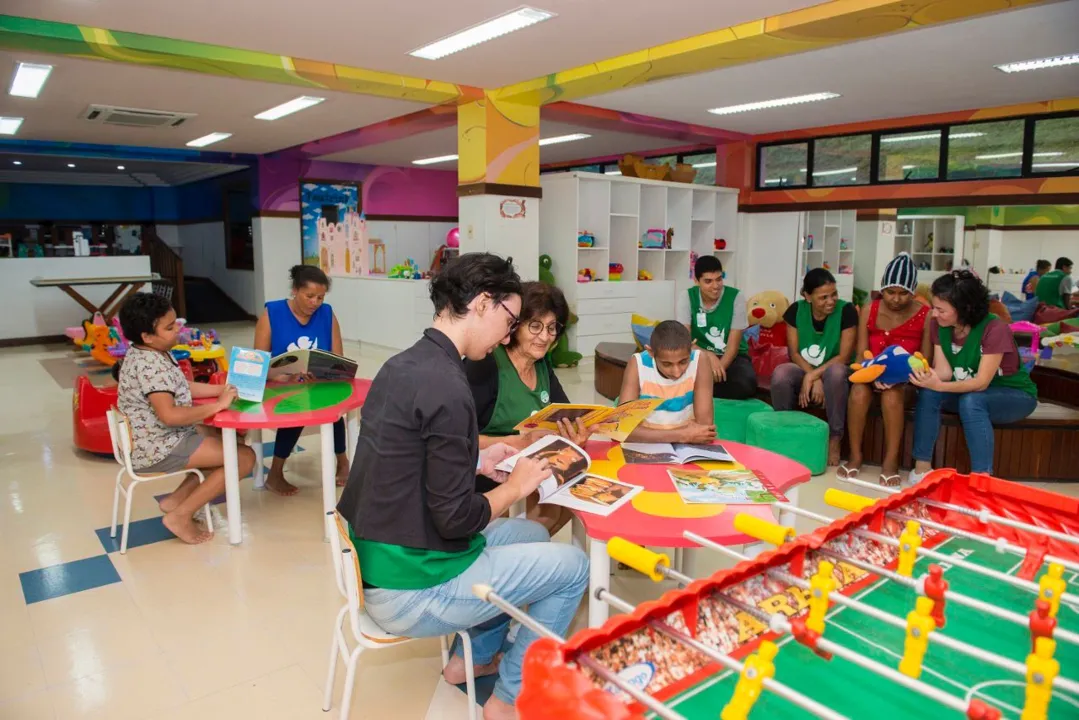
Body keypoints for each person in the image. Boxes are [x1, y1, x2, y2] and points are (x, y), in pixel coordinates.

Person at [337, 253, 588, 720]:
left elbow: (407, 457)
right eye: (510, 320)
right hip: (410, 587)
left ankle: (464, 661)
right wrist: (515, 486)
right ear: (482, 304)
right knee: (573, 567)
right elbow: (457, 518)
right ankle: (508, 700)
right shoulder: (449, 385)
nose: (509, 335)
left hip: (381, 556)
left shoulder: (402, 364)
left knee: (532, 534)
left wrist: (477, 456)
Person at [116, 293, 256, 544]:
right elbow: (169, 415)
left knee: (222, 440)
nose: (178, 331)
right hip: (155, 447)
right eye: (169, 328)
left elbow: (181, 386)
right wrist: (216, 406)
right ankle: (180, 515)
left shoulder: (146, 352)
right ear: (147, 336)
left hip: (151, 439)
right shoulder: (151, 364)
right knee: (244, 458)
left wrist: (222, 390)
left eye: (176, 323)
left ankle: (176, 499)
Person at [466, 280, 590, 534]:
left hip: (528, 466)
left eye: (552, 328)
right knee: (553, 496)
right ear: (515, 325)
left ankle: (527, 548)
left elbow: (565, 414)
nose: (544, 337)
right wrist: (519, 442)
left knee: (572, 493)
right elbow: (460, 441)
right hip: (484, 475)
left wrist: (575, 432)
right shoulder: (487, 364)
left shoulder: (541, 364)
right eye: (535, 326)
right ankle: (521, 551)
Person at [908, 270, 1038, 483]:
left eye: (941, 309)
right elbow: (944, 372)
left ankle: (982, 478)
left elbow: (981, 383)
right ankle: (922, 470)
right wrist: (918, 376)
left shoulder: (995, 328)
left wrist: (939, 385)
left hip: (1014, 395)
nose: (933, 314)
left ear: (964, 309)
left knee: (972, 400)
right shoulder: (938, 324)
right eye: (934, 308)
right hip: (968, 391)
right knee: (929, 391)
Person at [253, 264, 347, 496]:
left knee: (332, 408)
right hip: (280, 385)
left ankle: (343, 461)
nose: (315, 302)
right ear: (295, 290)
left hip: (316, 383)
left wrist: (325, 373)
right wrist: (286, 377)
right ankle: (275, 473)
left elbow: (338, 359)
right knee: (297, 406)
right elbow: (259, 365)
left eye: (320, 297)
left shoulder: (327, 313)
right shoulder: (272, 313)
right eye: (309, 296)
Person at [843, 253, 930, 487]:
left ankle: (890, 461)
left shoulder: (925, 314)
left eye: (904, 293)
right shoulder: (869, 309)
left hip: (907, 381)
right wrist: (872, 374)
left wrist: (897, 378)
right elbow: (861, 353)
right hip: (870, 373)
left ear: (913, 292)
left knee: (892, 396)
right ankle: (855, 455)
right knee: (858, 392)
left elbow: (924, 360)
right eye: (890, 291)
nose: (896, 299)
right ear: (882, 288)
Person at [771, 268, 858, 466]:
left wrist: (812, 377)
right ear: (808, 297)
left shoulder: (847, 311)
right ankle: (784, 433)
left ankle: (835, 438)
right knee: (781, 374)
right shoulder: (795, 311)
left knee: (835, 373)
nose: (831, 301)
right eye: (823, 297)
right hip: (805, 367)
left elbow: (844, 357)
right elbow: (794, 353)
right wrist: (813, 376)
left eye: (834, 294)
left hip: (837, 368)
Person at [618, 320, 716, 443]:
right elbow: (622, 428)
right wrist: (682, 435)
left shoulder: (700, 360)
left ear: (691, 347)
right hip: (648, 445)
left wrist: (684, 436)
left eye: (683, 362)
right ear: (651, 353)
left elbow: (705, 427)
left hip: (687, 445)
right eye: (667, 364)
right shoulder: (638, 364)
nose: (677, 372)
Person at [677, 255, 757, 399]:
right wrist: (708, 355)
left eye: (719, 279)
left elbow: (733, 347)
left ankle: (701, 390)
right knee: (675, 374)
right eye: (708, 281)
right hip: (697, 353)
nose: (715, 286)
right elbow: (685, 340)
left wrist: (717, 370)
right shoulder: (687, 297)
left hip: (733, 357)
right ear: (696, 281)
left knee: (746, 383)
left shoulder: (736, 297)